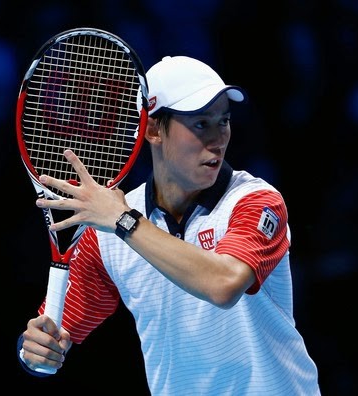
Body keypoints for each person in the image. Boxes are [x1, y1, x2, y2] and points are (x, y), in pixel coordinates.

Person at [17, 55, 321, 395]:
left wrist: (123, 221)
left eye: (224, 121)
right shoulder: (107, 234)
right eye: (200, 124)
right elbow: (55, 333)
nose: (218, 139)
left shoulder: (255, 201)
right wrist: (35, 348)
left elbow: (223, 284)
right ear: (152, 130)